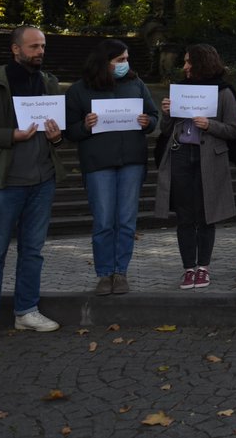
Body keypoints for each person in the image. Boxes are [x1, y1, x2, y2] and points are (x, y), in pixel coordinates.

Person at [0, 26, 66, 347]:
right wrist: (10, 136)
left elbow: (56, 131)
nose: (40, 52)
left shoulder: (49, 82)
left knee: (33, 251)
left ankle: (26, 311)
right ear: (15, 49)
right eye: (33, 46)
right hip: (4, 183)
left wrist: (58, 136)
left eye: (42, 46)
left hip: (42, 181)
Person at [64, 39, 159, 296]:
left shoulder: (136, 84)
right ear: (104, 62)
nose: (124, 64)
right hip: (98, 164)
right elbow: (69, 130)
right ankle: (104, 274)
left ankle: (121, 272)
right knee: (104, 221)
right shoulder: (79, 90)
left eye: (127, 59)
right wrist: (84, 125)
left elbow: (154, 116)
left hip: (132, 161)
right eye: (120, 60)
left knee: (126, 220)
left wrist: (146, 121)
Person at [156, 44, 236, 290]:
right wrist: (167, 113)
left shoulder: (224, 92)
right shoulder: (181, 90)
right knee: (184, 216)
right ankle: (188, 269)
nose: (184, 67)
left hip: (210, 158)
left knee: (206, 215)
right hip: (180, 155)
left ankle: (203, 268)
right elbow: (165, 130)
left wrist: (209, 125)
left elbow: (234, 130)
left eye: (188, 62)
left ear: (201, 63)